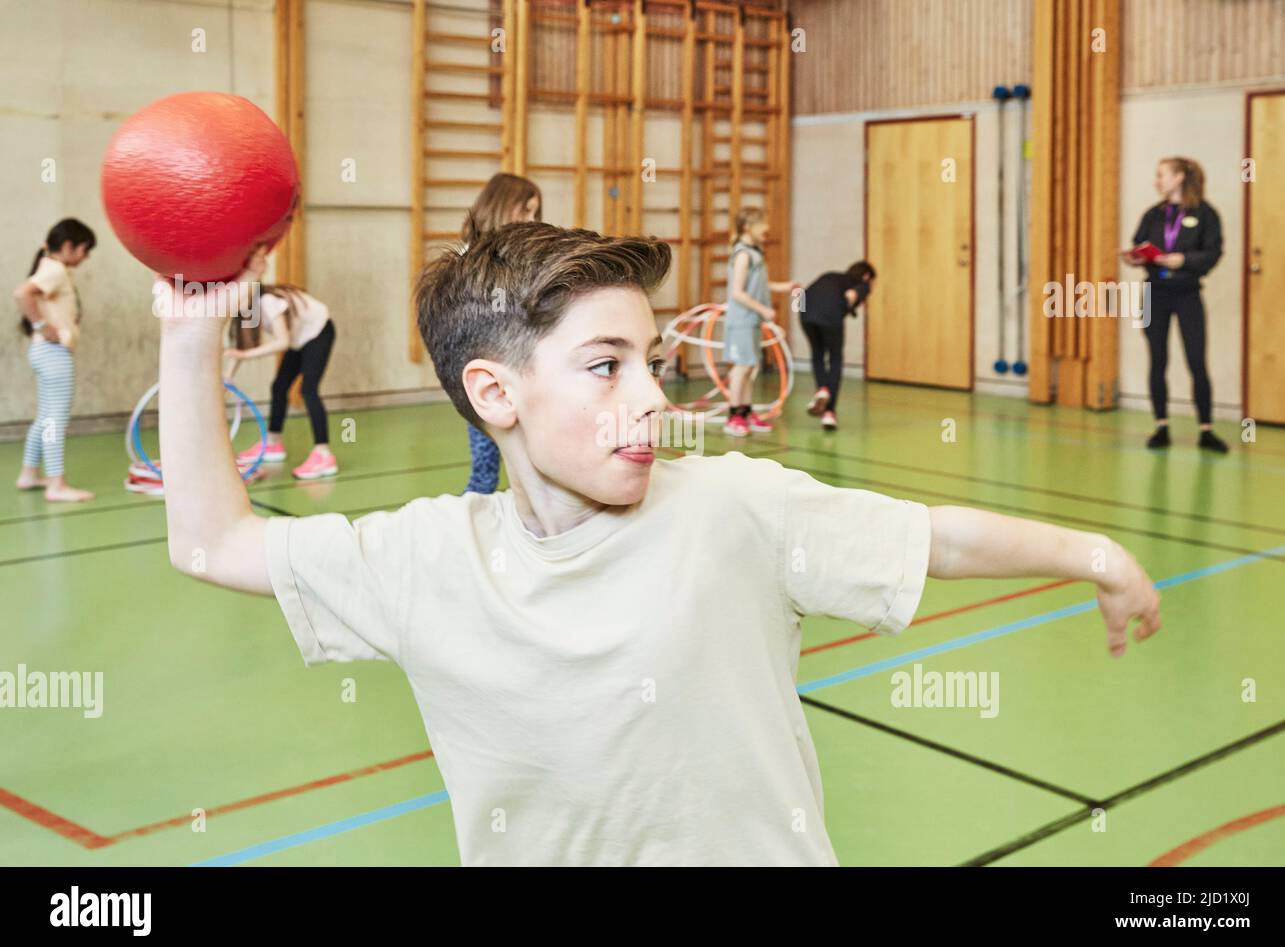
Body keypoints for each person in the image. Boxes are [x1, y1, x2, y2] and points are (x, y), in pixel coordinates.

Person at [156, 222, 1161, 866]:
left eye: (652, 360)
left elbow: (931, 535)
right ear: (494, 394)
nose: (651, 395)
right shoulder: (425, 560)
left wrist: (1096, 554)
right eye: (606, 365)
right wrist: (194, 330)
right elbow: (209, 542)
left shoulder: (731, 507)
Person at [1122, 157, 1227, 453]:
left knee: (1196, 360)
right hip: (1155, 292)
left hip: (1187, 294)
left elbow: (1213, 252)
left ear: (1179, 178)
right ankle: (1161, 425)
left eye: (1161, 175)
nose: (1157, 181)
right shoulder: (1154, 215)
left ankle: (1206, 429)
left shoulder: (1205, 214)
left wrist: (1185, 260)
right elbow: (1139, 244)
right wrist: (1134, 257)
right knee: (1157, 360)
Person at [457, 172, 542, 494]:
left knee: (533, 457)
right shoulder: (470, 257)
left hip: (521, 365)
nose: (531, 219)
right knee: (485, 464)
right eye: (525, 211)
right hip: (486, 372)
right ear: (503, 207)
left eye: (535, 212)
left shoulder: (522, 255)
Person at [226, 247, 338, 480]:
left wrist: (246, 356)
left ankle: (324, 454)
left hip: (319, 332)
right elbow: (241, 348)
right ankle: (273, 442)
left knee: (309, 390)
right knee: (279, 387)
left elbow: (282, 342)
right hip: (300, 339)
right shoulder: (247, 310)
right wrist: (227, 378)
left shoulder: (266, 301)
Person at [13, 218, 97, 502]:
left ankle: (29, 473)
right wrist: (40, 325)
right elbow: (22, 293)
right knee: (55, 420)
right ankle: (56, 484)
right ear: (69, 246)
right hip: (53, 354)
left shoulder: (53, 268)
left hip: (44, 353)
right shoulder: (56, 269)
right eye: (85, 250)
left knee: (45, 417)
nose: (86, 257)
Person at [720, 207, 797, 437]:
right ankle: (734, 416)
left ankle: (746, 411)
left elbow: (759, 285)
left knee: (750, 366)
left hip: (752, 321)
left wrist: (784, 287)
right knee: (741, 368)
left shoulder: (755, 253)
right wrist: (763, 308)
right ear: (747, 227)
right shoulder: (742, 254)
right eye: (762, 224)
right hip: (742, 320)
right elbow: (737, 293)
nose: (767, 228)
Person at [798, 261, 875, 431]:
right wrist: (858, 293)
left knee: (817, 354)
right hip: (830, 314)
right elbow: (855, 293)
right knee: (835, 358)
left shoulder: (830, 276)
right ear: (866, 276)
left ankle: (822, 389)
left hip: (804, 313)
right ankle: (829, 413)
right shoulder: (861, 283)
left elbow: (803, 294)